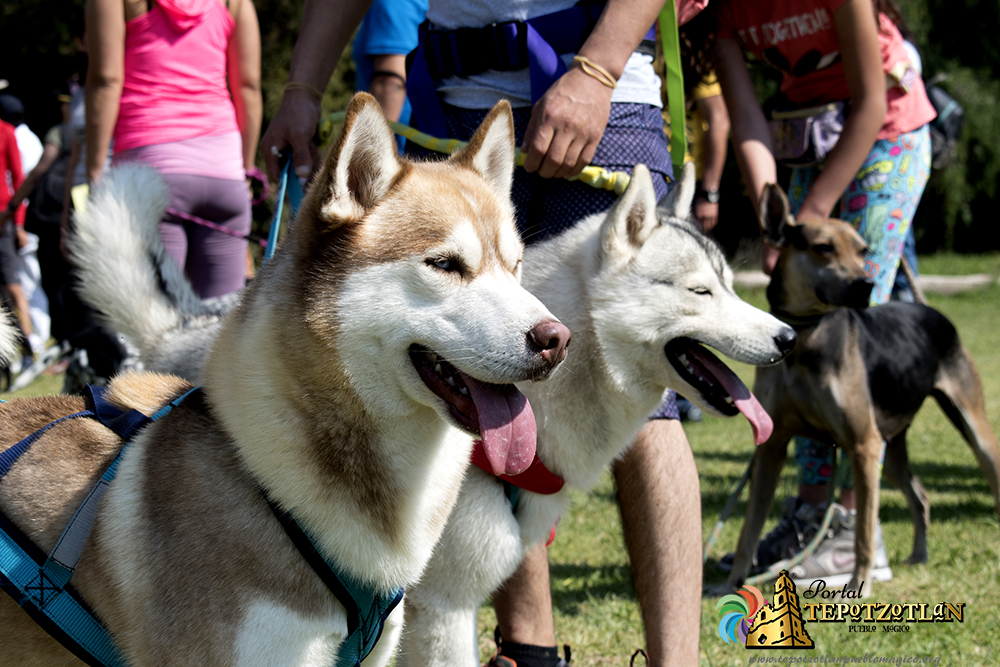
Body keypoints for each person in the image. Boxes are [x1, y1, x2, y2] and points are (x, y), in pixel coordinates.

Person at [262, 2, 709, 664]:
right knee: (476, 373)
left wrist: (598, 68)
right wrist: (302, 86)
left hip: (601, 97)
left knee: (640, 395)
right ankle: (530, 648)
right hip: (453, 100)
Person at [713, 0, 935, 582]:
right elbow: (749, 121)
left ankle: (847, 527)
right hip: (807, 138)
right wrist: (776, 221)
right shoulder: (725, 11)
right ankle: (813, 513)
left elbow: (869, 103)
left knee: (843, 321)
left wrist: (808, 215)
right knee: (800, 326)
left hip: (885, 133)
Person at [85, 0, 262, 299]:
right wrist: (245, 168)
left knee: (156, 327)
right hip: (225, 176)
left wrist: (94, 171)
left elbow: (106, 80)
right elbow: (248, 86)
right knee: (220, 330)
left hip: (149, 174)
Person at [0, 93, 51, 356]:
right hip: (11, 217)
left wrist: (18, 224)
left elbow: (20, 179)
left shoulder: (10, 134)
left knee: (19, 283)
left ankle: (34, 341)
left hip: (9, 219)